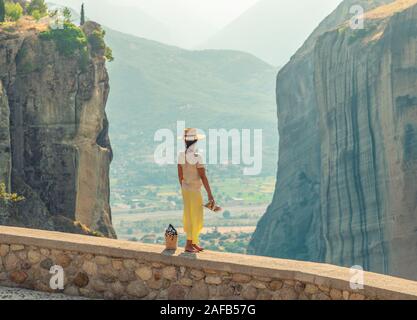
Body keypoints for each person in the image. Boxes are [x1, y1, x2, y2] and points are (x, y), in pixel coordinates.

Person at [177, 128, 215, 253]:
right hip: (194, 191)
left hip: (186, 190)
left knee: (188, 214)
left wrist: (184, 187)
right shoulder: (198, 157)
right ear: (195, 141)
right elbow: (203, 176)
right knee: (196, 216)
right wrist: (210, 194)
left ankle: (193, 243)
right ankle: (189, 244)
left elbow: (180, 175)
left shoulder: (181, 155)